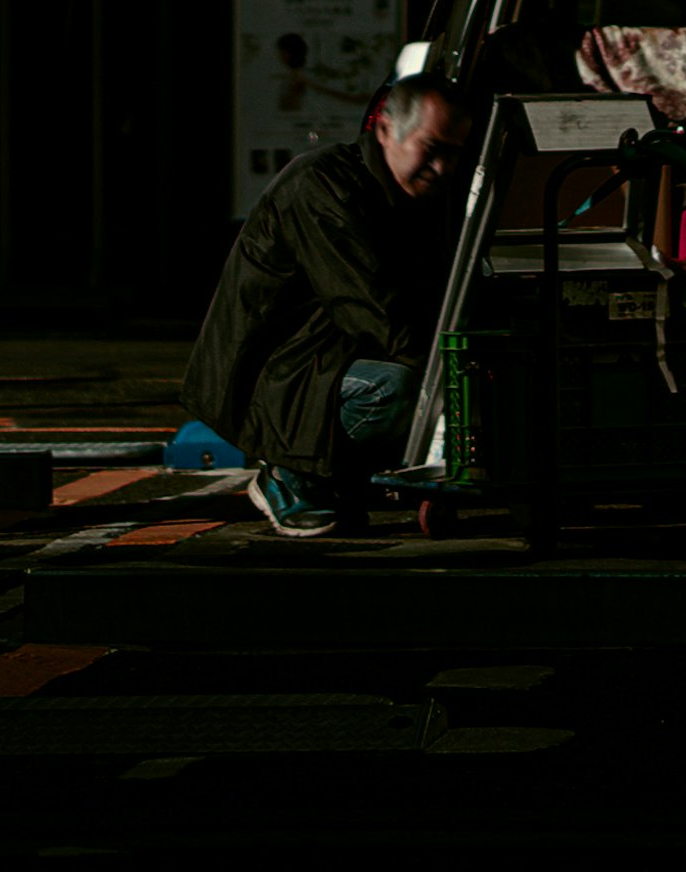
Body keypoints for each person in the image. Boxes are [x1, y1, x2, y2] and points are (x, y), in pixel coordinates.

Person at [173, 66, 472, 538]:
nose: (442, 169)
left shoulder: (410, 192)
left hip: (328, 355)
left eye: (453, 156)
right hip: (274, 372)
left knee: (419, 383)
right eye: (431, 151)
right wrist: (455, 388)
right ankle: (289, 475)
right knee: (397, 391)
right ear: (387, 129)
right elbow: (374, 309)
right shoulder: (324, 187)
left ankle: (334, 475)